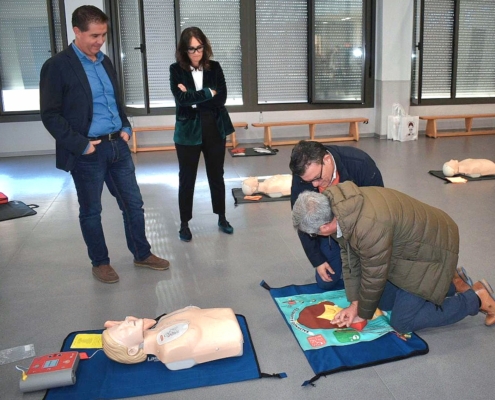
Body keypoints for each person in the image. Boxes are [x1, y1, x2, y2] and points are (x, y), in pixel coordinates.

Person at [40, 5, 169, 284]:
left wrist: (125, 125)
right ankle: (100, 262)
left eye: (104, 35)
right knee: (91, 211)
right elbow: (50, 115)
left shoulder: (105, 61)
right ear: (77, 31)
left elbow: (113, 100)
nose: (100, 41)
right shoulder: (58, 66)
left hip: (117, 147)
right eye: (94, 35)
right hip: (88, 151)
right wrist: (81, 145)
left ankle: (141, 253)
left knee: (133, 204)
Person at [292, 182, 495, 333]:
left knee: (402, 322)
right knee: (383, 302)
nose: (315, 237)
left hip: (430, 251)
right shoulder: (336, 207)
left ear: (325, 226)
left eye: (314, 233)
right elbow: (350, 257)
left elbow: (374, 274)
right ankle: (451, 281)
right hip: (410, 247)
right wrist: (355, 302)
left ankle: (476, 298)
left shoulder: (367, 227)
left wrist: (361, 314)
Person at [289, 140, 383, 291]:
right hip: (329, 234)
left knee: (373, 286)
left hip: (361, 230)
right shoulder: (303, 176)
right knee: (326, 282)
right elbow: (303, 221)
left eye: (317, 178)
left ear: (326, 159)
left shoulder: (360, 164)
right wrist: (317, 260)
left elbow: (379, 208)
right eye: (309, 181)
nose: (314, 185)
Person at [170, 27, 235, 242]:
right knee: (187, 179)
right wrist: (208, 93)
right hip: (188, 131)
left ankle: (222, 217)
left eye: (200, 48)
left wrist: (193, 97)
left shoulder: (215, 68)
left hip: (215, 128)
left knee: (216, 175)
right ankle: (184, 223)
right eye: (191, 49)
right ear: (184, 50)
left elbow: (221, 99)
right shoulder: (175, 70)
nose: (197, 53)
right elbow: (182, 101)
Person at [102, 306, 244, 370]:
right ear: (132, 351)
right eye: (122, 330)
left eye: (121, 324)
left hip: (225, 323)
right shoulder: (169, 350)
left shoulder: (164, 321)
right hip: (232, 334)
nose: (126, 322)